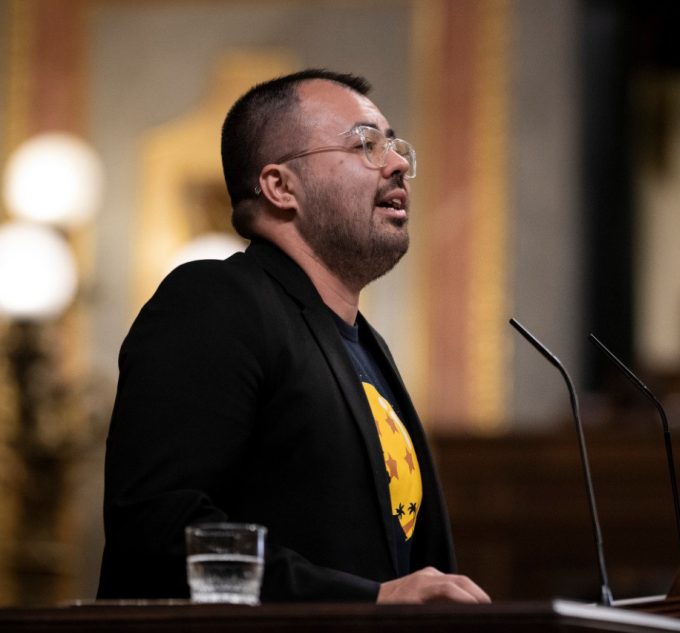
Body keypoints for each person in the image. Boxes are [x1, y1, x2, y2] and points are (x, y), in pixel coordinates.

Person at [97, 69, 490, 604]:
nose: (398, 164)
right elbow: (160, 534)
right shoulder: (214, 302)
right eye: (365, 145)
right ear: (281, 186)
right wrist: (370, 602)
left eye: (395, 146)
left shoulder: (364, 344)